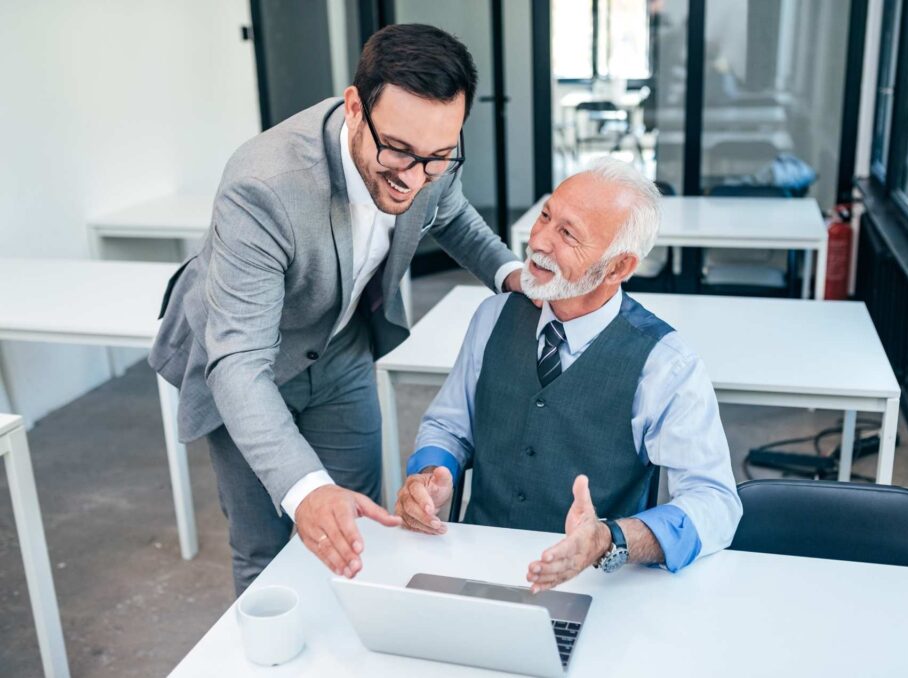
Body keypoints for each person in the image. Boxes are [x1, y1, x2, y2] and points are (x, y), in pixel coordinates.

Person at [148, 24, 526, 595]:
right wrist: (304, 489)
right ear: (355, 107)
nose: (413, 177)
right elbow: (239, 363)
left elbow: (449, 213)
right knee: (266, 548)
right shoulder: (263, 184)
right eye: (397, 151)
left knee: (358, 535)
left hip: (341, 346)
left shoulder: (428, 153)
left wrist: (511, 275)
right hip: (249, 364)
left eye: (437, 158)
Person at [395, 158, 742, 592]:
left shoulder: (666, 365)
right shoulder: (492, 317)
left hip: (595, 587)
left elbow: (716, 504)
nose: (538, 241)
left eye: (567, 234)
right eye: (546, 215)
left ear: (617, 268)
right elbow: (448, 426)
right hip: (476, 566)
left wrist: (612, 540)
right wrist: (433, 471)